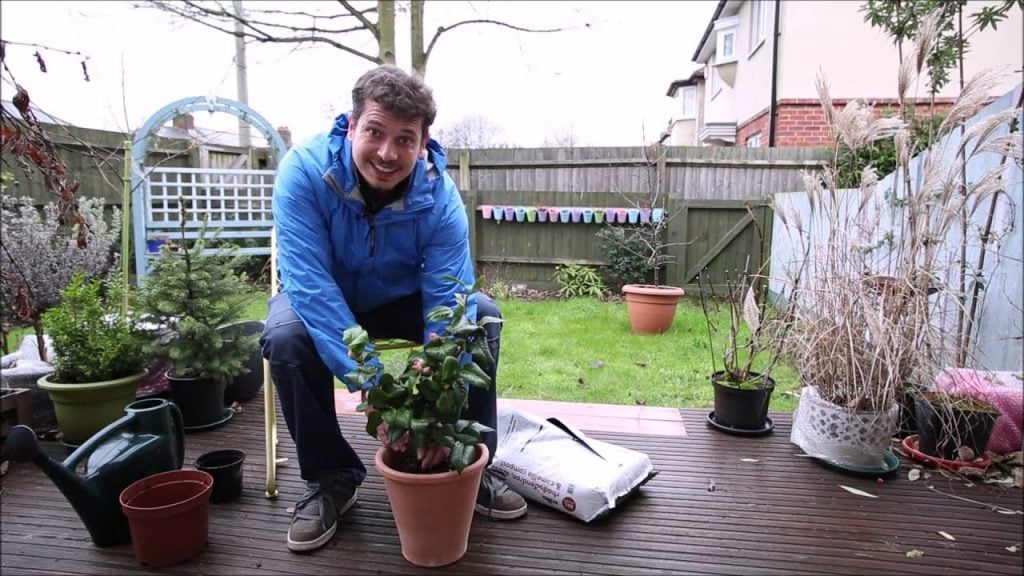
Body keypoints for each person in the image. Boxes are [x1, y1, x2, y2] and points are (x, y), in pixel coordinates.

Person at [260, 64, 527, 553]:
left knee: (482, 316)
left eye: (405, 139)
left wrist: (435, 386)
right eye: (375, 132)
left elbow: (450, 297)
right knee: (286, 339)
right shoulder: (303, 172)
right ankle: (331, 478)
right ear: (352, 124)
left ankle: (470, 461)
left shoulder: (438, 195)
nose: (387, 153)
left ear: (423, 144)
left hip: (400, 298)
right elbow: (311, 287)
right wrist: (374, 387)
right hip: (322, 294)